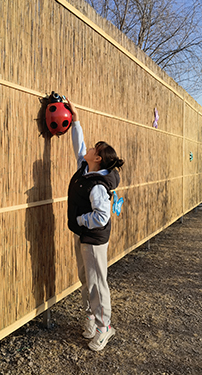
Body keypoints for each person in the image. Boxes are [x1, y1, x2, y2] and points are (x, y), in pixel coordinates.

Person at [65, 100, 124, 352]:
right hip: (84, 236)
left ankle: (104, 327)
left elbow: (102, 217)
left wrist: (79, 220)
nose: (88, 148)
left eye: (93, 149)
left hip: (94, 238)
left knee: (98, 283)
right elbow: (78, 145)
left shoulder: (98, 185)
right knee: (86, 279)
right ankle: (90, 318)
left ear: (98, 158)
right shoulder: (86, 169)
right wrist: (75, 119)